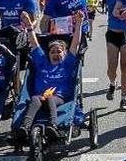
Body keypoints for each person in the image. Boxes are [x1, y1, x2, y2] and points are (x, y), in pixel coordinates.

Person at [15, 11, 83, 142]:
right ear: (49, 54)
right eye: (53, 52)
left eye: (59, 51)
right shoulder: (42, 62)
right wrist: (29, 25)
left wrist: (79, 24)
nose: (56, 54)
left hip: (59, 97)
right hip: (40, 96)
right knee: (35, 99)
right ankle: (25, 127)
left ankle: (53, 125)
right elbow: (34, 44)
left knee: (50, 98)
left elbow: (75, 44)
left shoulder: (67, 63)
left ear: (64, 53)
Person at [92, 0, 126, 110]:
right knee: (111, 67)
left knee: (125, 67)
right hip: (112, 33)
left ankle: (123, 97)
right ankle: (113, 84)